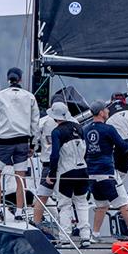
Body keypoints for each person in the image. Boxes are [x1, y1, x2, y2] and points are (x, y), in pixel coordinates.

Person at [0, 67, 39, 221]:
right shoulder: (29, 97)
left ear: (8, 79)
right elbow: (34, 123)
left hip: (4, 142)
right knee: (20, 177)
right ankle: (19, 212)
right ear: (20, 79)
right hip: (23, 141)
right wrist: (33, 145)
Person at [83, 100, 128, 238]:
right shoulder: (108, 129)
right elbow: (123, 147)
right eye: (106, 109)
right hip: (107, 173)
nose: (108, 111)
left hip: (92, 174)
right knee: (124, 204)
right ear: (101, 112)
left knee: (101, 206)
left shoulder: (85, 129)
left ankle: (95, 234)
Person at [46, 102, 91, 246]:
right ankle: (85, 237)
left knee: (64, 205)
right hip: (83, 170)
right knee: (82, 203)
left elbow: (54, 156)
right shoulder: (79, 128)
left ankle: (65, 238)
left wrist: (51, 174)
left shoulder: (56, 132)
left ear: (54, 117)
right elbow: (87, 149)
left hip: (66, 172)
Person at [32, 108, 58, 225]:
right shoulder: (72, 122)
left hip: (48, 164)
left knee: (42, 196)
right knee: (66, 199)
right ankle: (70, 228)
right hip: (66, 165)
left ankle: (36, 223)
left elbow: (35, 136)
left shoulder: (43, 121)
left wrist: (33, 147)